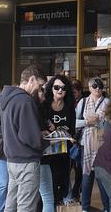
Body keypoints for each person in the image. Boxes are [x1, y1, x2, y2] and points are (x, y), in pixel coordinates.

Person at [0, 64, 48, 212]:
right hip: (26, 162)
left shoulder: (7, 98)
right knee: (26, 207)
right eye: (39, 86)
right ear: (31, 79)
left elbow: (17, 129)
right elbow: (30, 137)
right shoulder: (25, 101)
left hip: (12, 160)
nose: (39, 90)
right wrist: (46, 141)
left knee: (11, 204)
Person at [39, 74, 76, 211]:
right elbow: (39, 127)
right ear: (51, 89)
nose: (60, 90)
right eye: (56, 87)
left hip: (63, 152)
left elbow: (72, 129)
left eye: (63, 88)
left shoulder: (69, 106)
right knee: (49, 188)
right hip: (47, 153)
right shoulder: (44, 106)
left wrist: (67, 135)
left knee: (63, 184)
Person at [76, 77, 110, 212]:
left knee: (102, 178)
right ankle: (85, 208)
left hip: (103, 145)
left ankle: (107, 208)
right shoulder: (83, 102)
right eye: (95, 86)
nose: (98, 89)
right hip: (86, 145)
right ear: (89, 88)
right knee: (87, 178)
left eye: (100, 86)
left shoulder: (108, 102)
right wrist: (87, 122)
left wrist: (99, 122)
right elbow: (74, 123)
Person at [69, 79, 85, 201]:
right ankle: (71, 194)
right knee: (69, 169)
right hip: (70, 139)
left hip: (78, 140)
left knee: (78, 169)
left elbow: (74, 122)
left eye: (74, 92)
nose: (73, 94)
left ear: (80, 91)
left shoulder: (83, 103)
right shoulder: (69, 102)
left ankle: (75, 193)